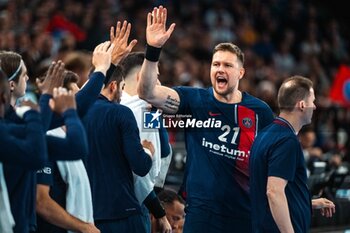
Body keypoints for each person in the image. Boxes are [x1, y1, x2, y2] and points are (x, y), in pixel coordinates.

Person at [137, 6, 274, 233]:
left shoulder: (261, 112)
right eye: (216, 64)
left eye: (228, 65)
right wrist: (153, 49)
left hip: (245, 216)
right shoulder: (194, 99)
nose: (220, 69)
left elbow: (273, 164)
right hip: (201, 216)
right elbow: (147, 92)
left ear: (241, 73)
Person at [249, 76, 336, 233]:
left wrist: (309, 203)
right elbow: (274, 192)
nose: (315, 107)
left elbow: (272, 191)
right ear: (302, 105)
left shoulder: (265, 134)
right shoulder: (286, 140)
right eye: (312, 101)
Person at [82, 60, 154, 233]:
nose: (121, 94)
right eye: (120, 87)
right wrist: (148, 152)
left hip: (86, 214)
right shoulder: (124, 111)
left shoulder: (74, 112)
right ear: (113, 86)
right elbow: (142, 165)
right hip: (122, 210)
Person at [119, 52, 172, 233]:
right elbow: (143, 173)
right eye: (156, 77)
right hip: (133, 206)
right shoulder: (139, 108)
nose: (159, 84)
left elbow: (164, 151)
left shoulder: (116, 104)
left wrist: (157, 115)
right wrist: (159, 213)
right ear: (143, 77)